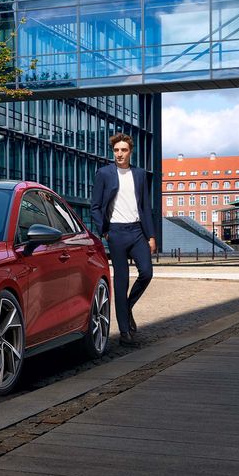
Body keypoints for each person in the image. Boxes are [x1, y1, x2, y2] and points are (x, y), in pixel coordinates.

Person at [90, 133, 156, 347]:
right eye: (116, 150)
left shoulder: (140, 174)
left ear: (130, 151)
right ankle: (125, 332)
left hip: (137, 231)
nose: (119, 154)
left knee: (146, 272)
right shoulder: (104, 174)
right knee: (121, 281)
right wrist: (105, 231)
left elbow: (146, 207)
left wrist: (151, 235)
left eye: (123, 150)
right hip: (116, 232)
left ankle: (127, 307)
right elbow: (95, 207)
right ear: (113, 152)